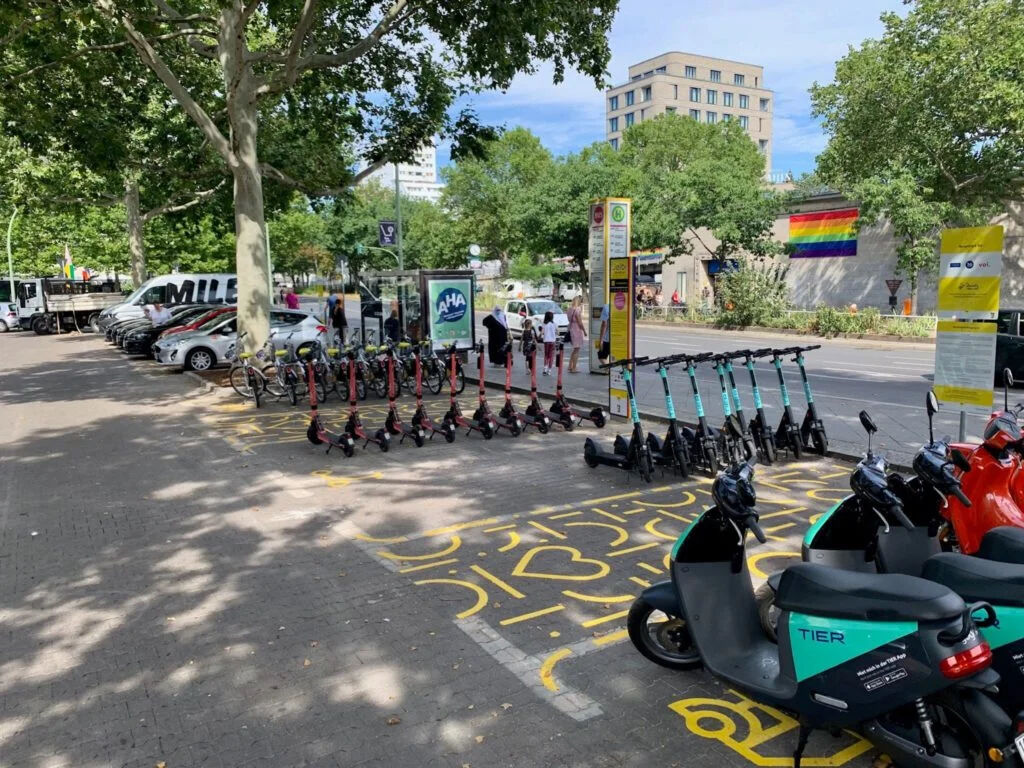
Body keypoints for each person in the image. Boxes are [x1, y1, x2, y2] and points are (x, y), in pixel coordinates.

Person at [566, 296, 587, 373]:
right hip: (577, 330)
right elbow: (580, 323)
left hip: (571, 328)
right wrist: (584, 331)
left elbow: (569, 320)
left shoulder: (569, 309)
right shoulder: (577, 310)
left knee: (575, 349)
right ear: (578, 302)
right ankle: (574, 368)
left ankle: (570, 366)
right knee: (577, 349)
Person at [541, 310, 557, 375]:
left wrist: (539, 336)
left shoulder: (544, 324)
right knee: (551, 356)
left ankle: (545, 368)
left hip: (546, 341)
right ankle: (549, 370)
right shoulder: (554, 324)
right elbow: (558, 332)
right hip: (552, 341)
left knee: (546, 355)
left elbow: (542, 332)